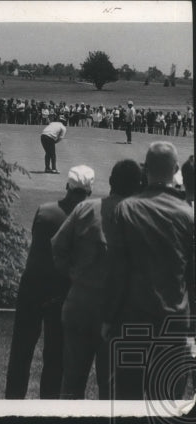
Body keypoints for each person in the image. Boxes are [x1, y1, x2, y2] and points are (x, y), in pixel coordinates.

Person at [103, 142, 194, 401]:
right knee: (166, 404)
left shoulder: (126, 209)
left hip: (133, 320)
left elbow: (116, 270)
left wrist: (108, 317)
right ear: (175, 169)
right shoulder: (188, 214)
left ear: (146, 169)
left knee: (128, 401)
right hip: (175, 322)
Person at [51, 160, 143, 400]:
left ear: (111, 182)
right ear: (138, 185)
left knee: (71, 382)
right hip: (117, 312)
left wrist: (73, 274)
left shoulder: (85, 209)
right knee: (111, 387)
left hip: (80, 302)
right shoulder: (140, 219)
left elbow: (58, 246)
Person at [6, 165, 95, 399]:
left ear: (67, 186)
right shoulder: (86, 221)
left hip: (32, 286)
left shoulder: (45, 211)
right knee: (55, 356)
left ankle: (12, 402)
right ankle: (48, 405)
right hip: (60, 291)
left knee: (20, 352)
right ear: (89, 191)